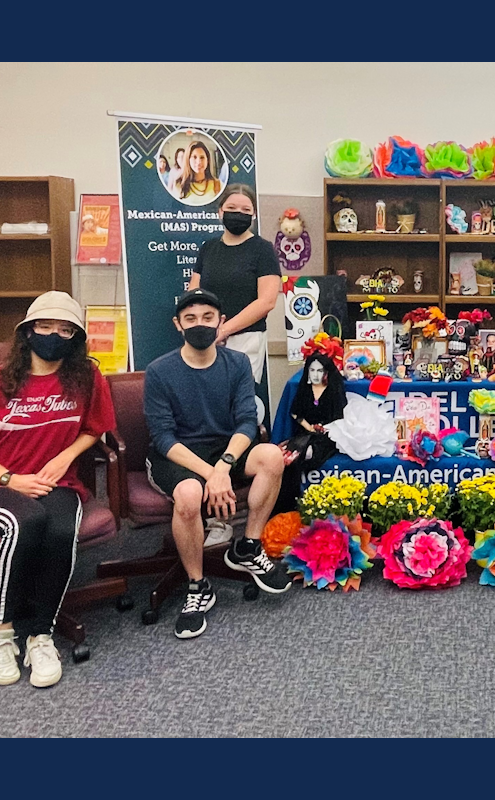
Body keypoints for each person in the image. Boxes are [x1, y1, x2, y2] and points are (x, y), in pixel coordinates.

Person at [0, 291, 116, 687]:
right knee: (26, 522)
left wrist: (65, 456)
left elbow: (95, 428)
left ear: (76, 337)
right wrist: (10, 478)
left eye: (65, 329)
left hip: (56, 482)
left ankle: (41, 633)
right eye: (45, 327)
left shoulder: (87, 377)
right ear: (27, 332)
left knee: (59, 529)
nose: (54, 335)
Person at [143, 289, 292, 639]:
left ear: (221, 322)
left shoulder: (237, 364)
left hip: (224, 450)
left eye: (208, 317)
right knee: (191, 494)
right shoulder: (159, 371)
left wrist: (223, 466)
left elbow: (245, 423)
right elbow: (164, 438)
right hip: (177, 454)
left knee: (271, 456)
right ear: (177, 325)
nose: (200, 325)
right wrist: (210, 474)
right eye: (191, 319)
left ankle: (248, 546)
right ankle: (198, 586)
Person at [187, 183, 278, 390]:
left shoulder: (263, 249)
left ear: (254, 215)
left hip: (245, 340)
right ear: (220, 212)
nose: (238, 214)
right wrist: (204, 328)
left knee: (236, 403)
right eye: (232, 209)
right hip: (207, 339)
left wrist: (224, 330)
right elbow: (194, 292)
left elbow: (267, 301)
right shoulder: (208, 248)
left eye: (246, 210)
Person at [276, 350, 347, 514]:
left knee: (311, 452)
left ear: (326, 373)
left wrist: (323, 429)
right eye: (312, 370)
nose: (315, 374)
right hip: (305, 433)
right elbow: (295, 413)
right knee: (292, 455)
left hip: (327, 435)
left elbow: (339, 416)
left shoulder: (333, 391)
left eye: (319, 370)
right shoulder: (304, 390)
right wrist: (309, 427)